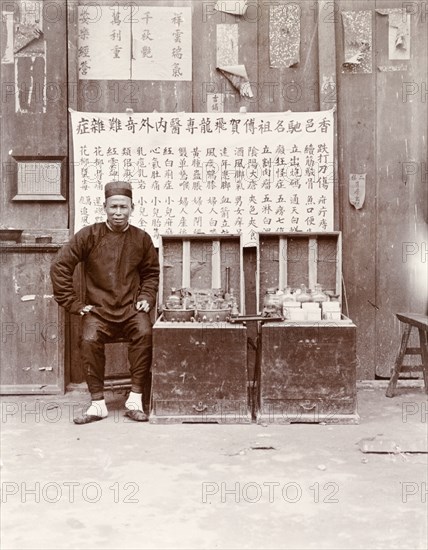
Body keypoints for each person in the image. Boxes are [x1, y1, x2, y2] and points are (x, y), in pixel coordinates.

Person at [50, 181, 159, 424]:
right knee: (89, 339)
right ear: (104, 207)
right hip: (98, 311)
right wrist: (74, 303)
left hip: (131, 309)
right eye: (113, 207)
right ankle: (98, 403)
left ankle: (135, 399)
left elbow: (151, 273)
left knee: (145, 332)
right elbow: (60, 266)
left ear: (133, 208)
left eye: (123, 207)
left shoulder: (141, 239)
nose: (118, 213)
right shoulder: (88, 235)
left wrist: (146, 298)